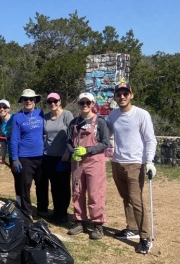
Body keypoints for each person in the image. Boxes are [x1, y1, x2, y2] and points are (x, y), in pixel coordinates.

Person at [107, 83, 157, 254]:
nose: (122, 97)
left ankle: (145, 237)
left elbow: (150, 139)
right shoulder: (112, 115)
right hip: (117, 162)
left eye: (125, 94)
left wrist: (149, 161)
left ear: (131, 95)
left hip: (135, 163)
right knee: (125, 197)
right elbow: (107, 134)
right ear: (115, 97)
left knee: (136, 201)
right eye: (119, 94)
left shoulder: (141, 114)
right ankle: (132, 228)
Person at [66, 93, 110, 239]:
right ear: (78, 104)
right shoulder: (73, 123)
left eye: (88, 103)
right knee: (77, 191)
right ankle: (79, 221)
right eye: (82, 103)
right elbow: (68, 141)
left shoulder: (100, 122)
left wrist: (88, 150)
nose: (85, 105)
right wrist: (73, 152)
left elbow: (105, 143)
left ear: (92, 104)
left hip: (94, 162)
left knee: (95, 193)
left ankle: (97, 224)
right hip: (78, 163)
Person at [10, 89, 45, 219]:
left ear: (35, 100)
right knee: (25, 185)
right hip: (25, 157)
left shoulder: (40, 113)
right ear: (22, 101)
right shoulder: (17, 117)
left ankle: (42, 210)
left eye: (31, 99)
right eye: (25, 99)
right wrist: (15, 158)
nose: (28, 101)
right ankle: (27, 211)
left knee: (41, 184)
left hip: (41, 156)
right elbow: (14, 139)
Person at [39, 93, 74, 224]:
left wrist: (67, 152)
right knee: (53, 185)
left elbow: (71, 135)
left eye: (55, 101)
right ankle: (56, 211)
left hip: (63, 156)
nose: (52, 103)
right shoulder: (46, 117)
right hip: (48, 156)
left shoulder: (67, 115)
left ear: (60, 101)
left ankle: (63, 213)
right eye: (50, 102)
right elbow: (43, 136)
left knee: (63, 185)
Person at [0, 99, 21, 204]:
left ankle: (25, 202)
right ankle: (19, 201)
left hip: (21, 153)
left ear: (8, 109)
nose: (2, 109)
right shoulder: (0, 124)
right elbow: (3, 143)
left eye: (4, 107)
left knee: (24, 179)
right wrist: (3, 156)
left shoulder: (15, 118)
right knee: (17, 178)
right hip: (12, 154)